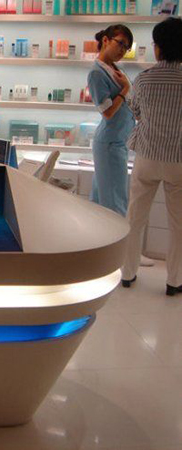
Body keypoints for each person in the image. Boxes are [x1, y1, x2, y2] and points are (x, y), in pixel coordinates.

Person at [121, 17, 182, 296]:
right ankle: (174, 281)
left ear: (158, 48)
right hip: (178, 159)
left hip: (147, 156)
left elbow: (136, 111)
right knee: (178, 224)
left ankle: (127, 273)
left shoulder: (144, 79)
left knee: (135, 217)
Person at [87, 24, 135, 217]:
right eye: (120, 43)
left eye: (126, 47)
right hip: (110, 143)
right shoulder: (96, 73)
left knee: (102, 200)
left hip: (118, 140)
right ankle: (115, 237)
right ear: (105, 40)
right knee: (114, 204)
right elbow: (107, 112)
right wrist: (125, 89)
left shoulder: (115, 68)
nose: (123, 50)